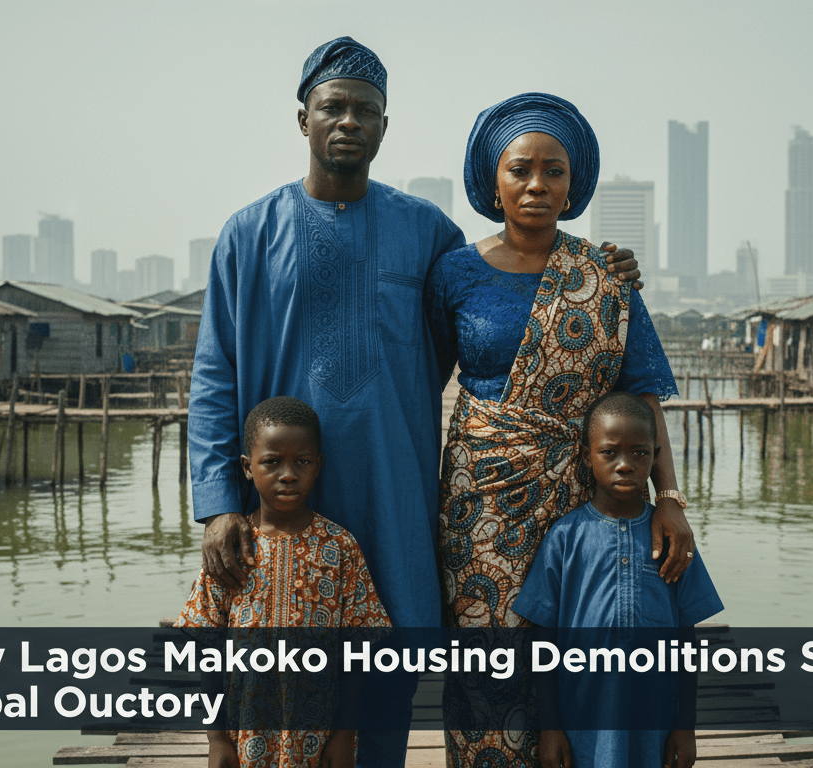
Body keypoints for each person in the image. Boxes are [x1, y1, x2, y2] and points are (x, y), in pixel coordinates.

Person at [188, 39, 639, 767]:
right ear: (302, 119)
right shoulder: (248, 234)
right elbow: (214, 373)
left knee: (386, 664)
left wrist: (599, 270)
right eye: (332, 107)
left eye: (365, 110)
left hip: (392, 489)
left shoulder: (426, 233)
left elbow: (499, 306)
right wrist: (218, 504)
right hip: (275, 496)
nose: (348, 122)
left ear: (384, 127)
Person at [425, 92, 694, 765]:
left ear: (574, 186)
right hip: (479, 501)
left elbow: (642, 398)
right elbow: (418, 382)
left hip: (585, 498)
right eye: (521, 170)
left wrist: (670, 499)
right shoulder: (455, 272)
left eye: (554, 171)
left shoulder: (604, 276)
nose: (537, 185)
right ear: (494, 181)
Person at [512, 391, 724, 768]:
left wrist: (686, 725)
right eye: (610, 452)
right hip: (582, 724)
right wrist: (550, 727)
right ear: (586, 456)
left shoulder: (672, 541)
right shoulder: (565, 538)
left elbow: (687, 636)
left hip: (654, 724)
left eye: (639, 453)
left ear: (655, 456)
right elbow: (543, 637)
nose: (625, 464)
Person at [177, 396, 391, 768]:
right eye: (272, 462)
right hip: (246, 738)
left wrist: (345, 734)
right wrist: (216, 739)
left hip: (319, 736)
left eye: (302, 462)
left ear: (318, 465)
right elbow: (205, 645)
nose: (288, 474)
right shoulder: (232, 547)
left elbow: (360, 648)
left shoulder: (340, 547)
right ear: (247, 467)